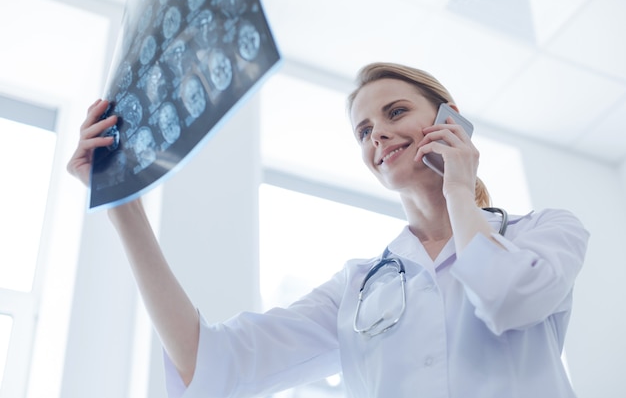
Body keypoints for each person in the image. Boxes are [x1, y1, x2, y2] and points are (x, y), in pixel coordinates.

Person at [67, 62, 589, 398]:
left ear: (451, 120)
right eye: (363, 131)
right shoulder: (359, 288)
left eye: (396, 111)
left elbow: (507, 298)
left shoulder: (544, 233)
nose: (377, 134)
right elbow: (210, 362)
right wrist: (122, 205)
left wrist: (458, 190)